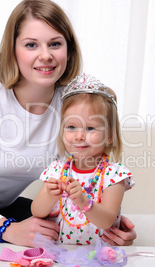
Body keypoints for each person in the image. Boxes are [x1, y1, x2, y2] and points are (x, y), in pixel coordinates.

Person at [0, 0, 136, 251]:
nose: (46, 55)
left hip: (1, 206)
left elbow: (86, 166)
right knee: (30, 247)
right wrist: (7, 229)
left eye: (55, 43)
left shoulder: (70, 106)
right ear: (13, 50)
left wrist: (108, 224)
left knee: (57, 233)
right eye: (31, 45)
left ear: (68, 51)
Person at [31, 74, 135, 245]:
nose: (79, 136)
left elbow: (107, 220)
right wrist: (49, 195)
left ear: (109, 136)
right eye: (71, 127)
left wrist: (84, 201)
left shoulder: (114, 175)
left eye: (90, 128)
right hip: (60, 253)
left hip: (98, 256)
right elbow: (37, 211)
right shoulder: (57, 170)